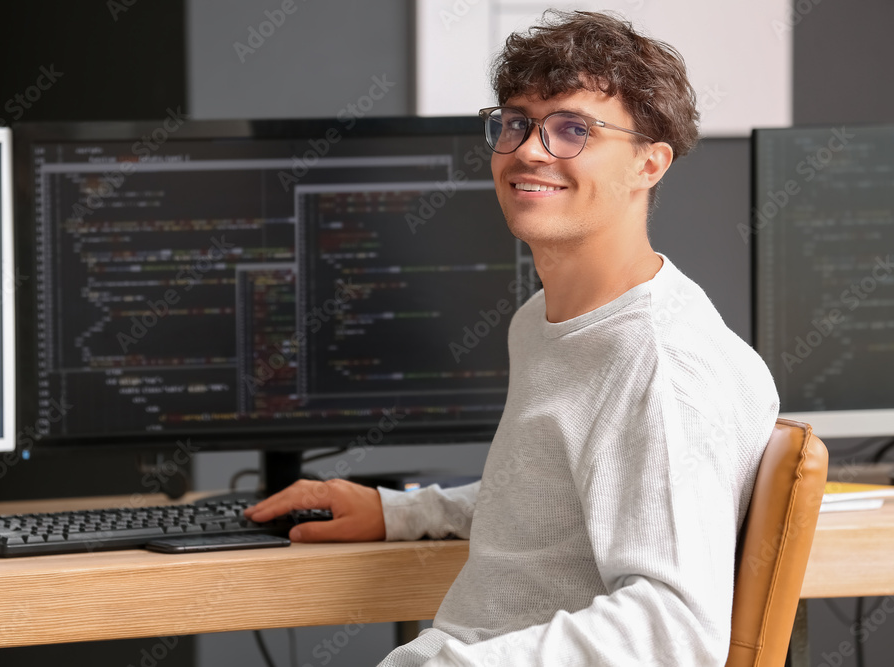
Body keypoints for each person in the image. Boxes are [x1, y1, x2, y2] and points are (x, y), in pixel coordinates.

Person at [244, 9, 779, 666]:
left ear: (649, 163)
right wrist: (403, 512)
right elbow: (560, 506)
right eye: (517, 122)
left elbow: (673, 630)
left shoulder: (661, 367)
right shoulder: (544, 320)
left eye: (572, 129)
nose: (529, 149)